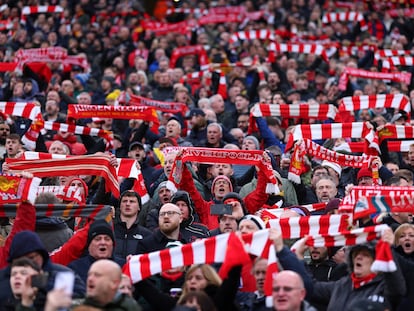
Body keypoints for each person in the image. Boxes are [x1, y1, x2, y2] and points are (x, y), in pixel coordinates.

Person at [310, 228, 406, 311]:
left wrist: (388, 249)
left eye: (365, 255)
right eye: (356, 254)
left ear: (375, 262)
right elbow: (309, 286)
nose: (358, 257)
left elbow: (397, 283)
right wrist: (297, 257)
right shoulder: (342, 285)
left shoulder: (384, 287)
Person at [0, 230, 86, 310]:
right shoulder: (2, 279)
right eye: (21, 260)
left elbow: (82, 302)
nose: (28, 263)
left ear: (42, 255)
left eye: (31, 258)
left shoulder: (63, 275)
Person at [113, 190, 152, 259]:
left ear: (139, 207)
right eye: (124, 201)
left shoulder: (147, 235)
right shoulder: (110, 230)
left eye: (132, 201)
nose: (127, 204)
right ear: (120, 206)